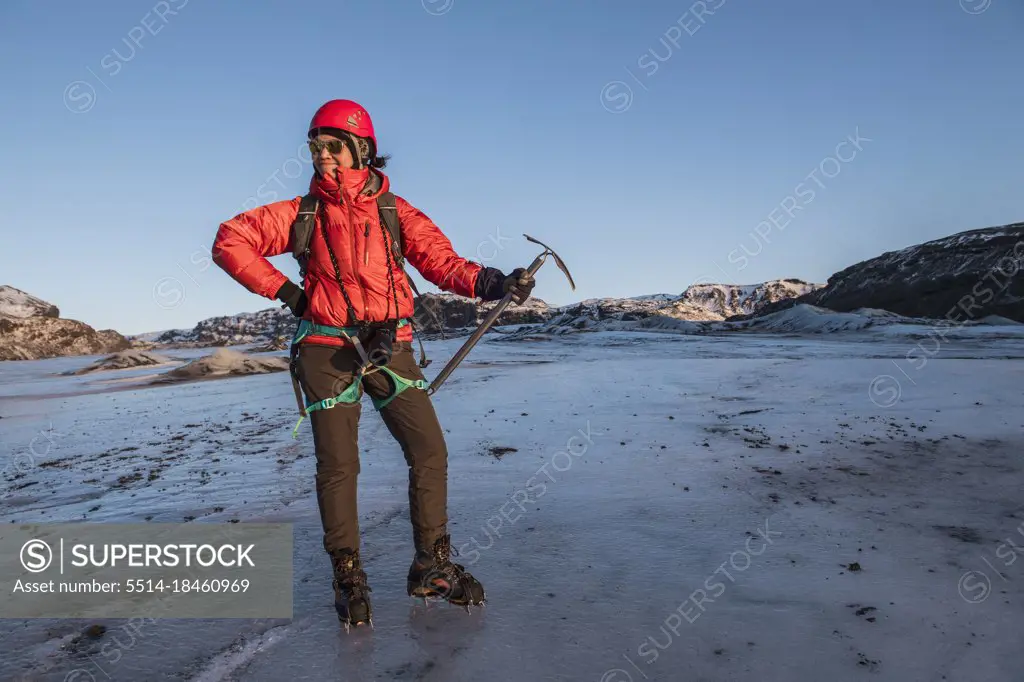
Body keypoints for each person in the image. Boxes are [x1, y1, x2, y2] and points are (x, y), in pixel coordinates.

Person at [211, 99, 535, 629]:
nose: (323, 157)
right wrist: (292, 296)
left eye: (333, 147)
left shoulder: (395, 211)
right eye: (316, 148)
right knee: (339, 466)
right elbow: (231, 240)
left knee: (429, 450)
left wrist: (494, 282)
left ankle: (432, 565)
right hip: (325, 349)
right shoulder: (302, 213)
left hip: (392, 345)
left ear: (361, 149)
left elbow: (441, 262)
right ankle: (348, 575)